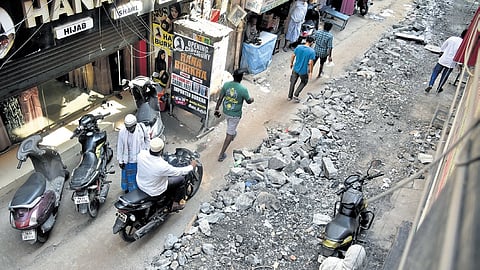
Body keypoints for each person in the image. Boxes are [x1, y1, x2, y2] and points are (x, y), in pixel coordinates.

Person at [136, 138, 197, 211]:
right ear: (161, 150)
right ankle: (176, 203)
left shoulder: (141, 154)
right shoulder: (162, 165)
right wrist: (191, 166)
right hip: (154, 190)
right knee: (181, 179)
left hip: (141, 184)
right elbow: (178, 172)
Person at [214, 68, 254, 162]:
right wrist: (252, 99)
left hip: (226, 111)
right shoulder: (243, 89)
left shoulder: (226, 85)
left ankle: (232, 133)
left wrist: (216, 109)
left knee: (230, 126)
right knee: (229, 132)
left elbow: (220, 98)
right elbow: (248, 101)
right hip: (235, 114)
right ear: (241, 78)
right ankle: (221, 154)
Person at [425, 29, 467, 94]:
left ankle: (431, 84)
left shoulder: (452, 38)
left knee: (435, 72)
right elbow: (461, 55)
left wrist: (441, 53)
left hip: (443, 59)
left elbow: (442, 47)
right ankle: (439, 88)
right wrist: (459, 64)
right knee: (445, 76)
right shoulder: (463, 44)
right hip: (451, 63)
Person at [117, 114, 150, 193]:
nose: (129, 130)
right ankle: (129, 190)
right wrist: (120, 161)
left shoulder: (141, 128)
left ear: (135, 124)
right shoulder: (122, 132)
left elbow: (147, 139)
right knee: (128, 176)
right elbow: (120, 146)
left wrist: (148, 151)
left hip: (140, 157)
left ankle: (138, 190)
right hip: (128, 159)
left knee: (139, 176)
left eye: (131, 128)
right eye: (128, 128)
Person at [288, 36, 316, 102]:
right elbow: (311, 63)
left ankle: (289, 96)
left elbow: (293, 56)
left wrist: (291, 63)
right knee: (304, 82)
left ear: (306, 40)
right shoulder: (312, 51)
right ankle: (296, 94)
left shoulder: (298, 47)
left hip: (295, 68)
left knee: (292, 82)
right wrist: (311, 72)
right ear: (311, 42)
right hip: (303, 71)